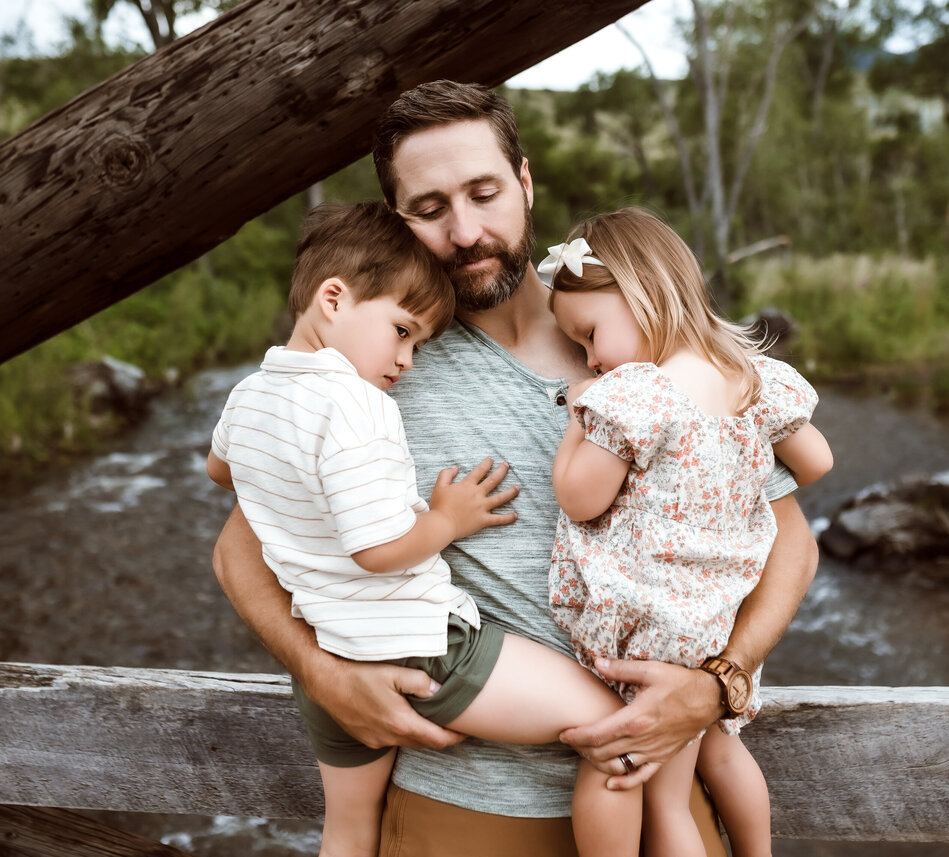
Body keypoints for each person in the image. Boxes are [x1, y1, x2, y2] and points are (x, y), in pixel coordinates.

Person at [211, 80, 820, 857]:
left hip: (657, 794)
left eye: (484, 192)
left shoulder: (641, 340)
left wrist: (717, 683)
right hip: (463, 810)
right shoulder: (376, 368)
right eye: (429, 208)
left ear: (526, 184)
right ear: (397, 219)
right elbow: (241, 545)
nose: (466, 231)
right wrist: (321, 671)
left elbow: (790, 542)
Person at [206, 201, 640, 857]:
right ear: (333, 298)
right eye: (403, 331)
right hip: (417, 644)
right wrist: (445, 520)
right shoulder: (358, 401)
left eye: (416, 342)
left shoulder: (248, 395)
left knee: (348, 832)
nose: (407, 359)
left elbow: (222, 469)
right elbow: (377, 550)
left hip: (331, 650)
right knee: (614, 723)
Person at [544, 207, 833, 857]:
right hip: (719, 622)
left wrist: (577, 416)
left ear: (641, 291)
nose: (592, 357)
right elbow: (818, 463)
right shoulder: (752, 379)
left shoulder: (637, 393)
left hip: (654, 623)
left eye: (590, 334)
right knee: (721, 752)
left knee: (626, 777)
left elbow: (582, 499)